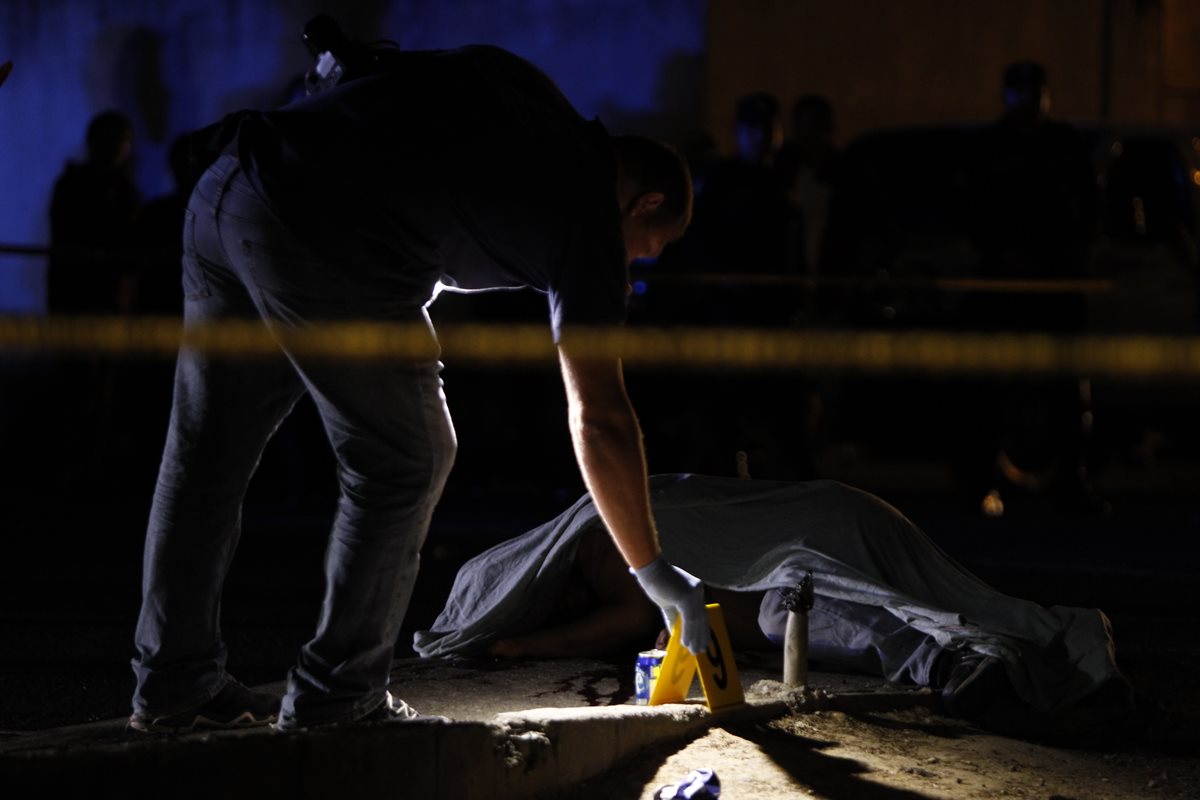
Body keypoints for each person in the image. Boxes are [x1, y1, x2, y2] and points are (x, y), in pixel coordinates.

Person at [128, 43, 709, 734]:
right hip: (322, 233)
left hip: (231, 182)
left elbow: (366, 69)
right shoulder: (589, 212)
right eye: (650, 244)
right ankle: (338, 697)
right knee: (408, 456)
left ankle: (174, 682)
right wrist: (650, 570)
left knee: (206, 454)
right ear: (645, 202)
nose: (638, 264)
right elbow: (600, 418)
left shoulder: (525, 91)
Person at [416, 473, 1134, 729]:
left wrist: (524, 646)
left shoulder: (601, 537)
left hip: (809, 546)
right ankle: (995, 654)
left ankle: (981, 659)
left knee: (846, 611)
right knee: (931, 604)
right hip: (824, 525)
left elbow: (633, 613)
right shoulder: (611, 512)